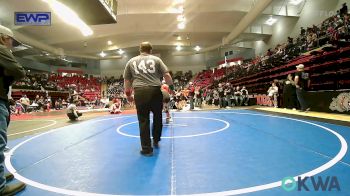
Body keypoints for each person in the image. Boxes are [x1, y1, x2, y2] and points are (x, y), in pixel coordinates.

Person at [123, 42, 174, 156]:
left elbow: (127, 80)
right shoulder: (156, 60)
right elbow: (167, 75)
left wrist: (128, 95)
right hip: (155, 90)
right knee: (157, 116)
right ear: (150, 50)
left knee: (143, 120)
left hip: (140, 92)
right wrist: (172, 88)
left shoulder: (131, 61)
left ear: (140, 50)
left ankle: (146, 149)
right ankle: (156, 140)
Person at [0, 25, 27, 195]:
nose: (11, 44)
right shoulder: (1, 49)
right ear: (3, 38)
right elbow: (19, 71)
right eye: (11, 40)